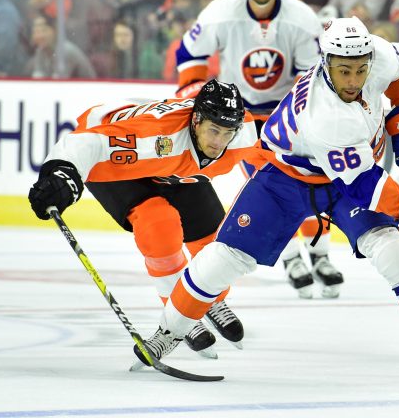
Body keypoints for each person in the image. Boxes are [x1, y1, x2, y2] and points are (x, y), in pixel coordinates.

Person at [134, 17, 399, 380]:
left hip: (343, 177)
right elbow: (365, 185)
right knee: (221, 259)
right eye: (344, 71)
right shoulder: (325, 115)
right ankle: (168, 332)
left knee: (392, 249)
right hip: (287, 178)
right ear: (325, 63)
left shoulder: (377, 54)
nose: (354, 81)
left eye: (361, 70)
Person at [28, 79, 258, 358]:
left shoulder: (241, 132)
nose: (219, 142)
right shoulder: (155, 138)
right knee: (159, 225)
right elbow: (88, 144)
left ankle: (211, 299)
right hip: (122, 162)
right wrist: (63, 175)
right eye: (214, 131)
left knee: (211, 232)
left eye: (227, 133)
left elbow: (292, 136)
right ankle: (179, 312)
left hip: (171, 165)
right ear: (196, 121)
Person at [176, 0, 345, 300]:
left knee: (313, 179)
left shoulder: (300, 18)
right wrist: (194, 91)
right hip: (242, 117)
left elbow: (312, 74)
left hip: (289, 114)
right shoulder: (221, 12)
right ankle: (290, 258)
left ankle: (320, 253)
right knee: (267, 185)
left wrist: (300, 114)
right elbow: (189, 53)